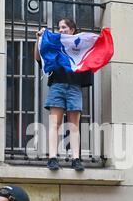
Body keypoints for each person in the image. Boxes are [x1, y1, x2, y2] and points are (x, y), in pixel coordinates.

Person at [34, 18, 93, 171]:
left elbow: (93, 53)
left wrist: (101, 38)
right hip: (57, 85)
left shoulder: (79, 45)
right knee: (55, 123)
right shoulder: (56, 43)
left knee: (74, 125)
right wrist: (39, 40)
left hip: (74, 86)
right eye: (59, 27)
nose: (60, 30)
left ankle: (76, 159)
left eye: (64, 27)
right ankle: (52, 157)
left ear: (72, 30)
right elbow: (38, 57)